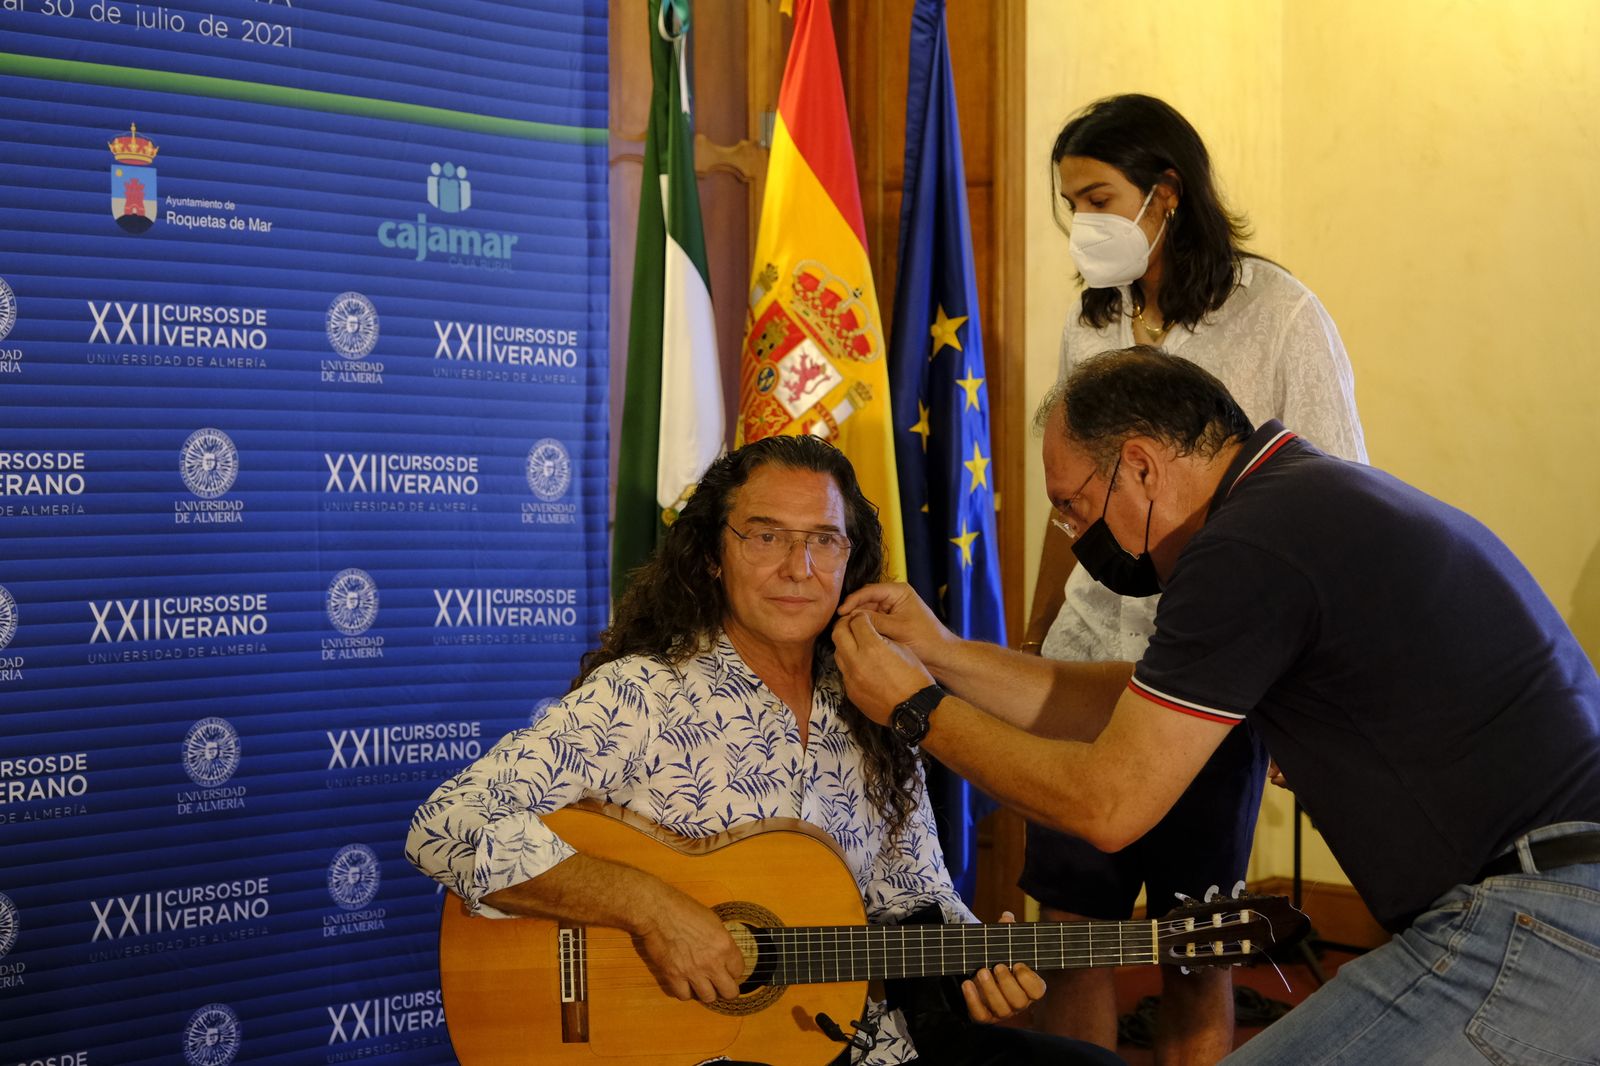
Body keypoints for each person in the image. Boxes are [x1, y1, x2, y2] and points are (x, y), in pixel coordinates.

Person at [831, 347, 1600, 1064]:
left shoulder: (1247, 546)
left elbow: (1108, 803)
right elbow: (1123, 703)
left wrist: (918, 709)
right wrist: (944, 652)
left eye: (1073, 508)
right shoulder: (1293, 501)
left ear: (1139, 466)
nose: (1073, 536)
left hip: (1540, 914)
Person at [406, 435, 1123, 1066]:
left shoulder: (879, 705)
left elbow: (917, 899)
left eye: (824, 540)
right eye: (766, 536)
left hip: (862, 1046)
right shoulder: (643, 694)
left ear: (852, 562)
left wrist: (977, 966)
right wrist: (653, 911)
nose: (798, 567)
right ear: (715, 555)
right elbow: (447, 825)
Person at [1020, 93, 1367, 1064]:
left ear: (1164, 196)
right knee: (1073, 936)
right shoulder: (1091, 319)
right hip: (1088, 660)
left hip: (1211, 680)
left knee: (1195, 948)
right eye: (1067, 203)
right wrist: (1038, 621)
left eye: (1096, 197)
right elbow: (1066, 486)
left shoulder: (1280, 316)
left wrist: (1319, 687)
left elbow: (1336, 500)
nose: (1081, 223)